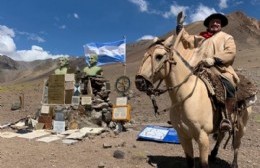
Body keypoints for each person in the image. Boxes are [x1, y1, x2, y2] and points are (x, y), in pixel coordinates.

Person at [176, 12, 240, 132]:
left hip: (219, 69)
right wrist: (180, 25)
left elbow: (231, 52)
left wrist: (214, 59)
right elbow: (186, 39)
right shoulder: (201, 38)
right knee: (182, 85)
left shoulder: (227, 37)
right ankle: (181, 115)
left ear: (221, 25)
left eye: (218, 22)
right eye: (213, 22)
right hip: (198, 69)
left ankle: (227, 118)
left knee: (228, 86)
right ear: (208, 24)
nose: (215, 23)